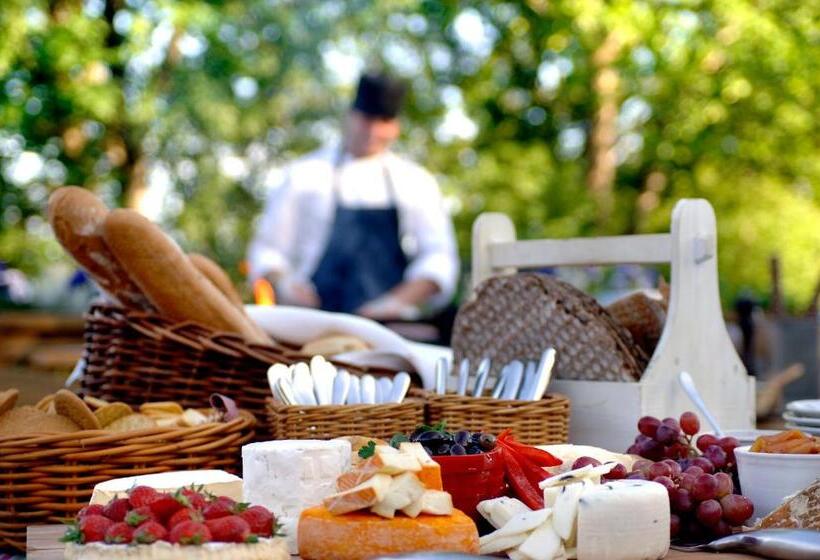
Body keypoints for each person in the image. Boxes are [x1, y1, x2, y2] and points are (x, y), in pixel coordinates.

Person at [248, 73, 459, 328]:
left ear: (395, 127)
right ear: (350, 116)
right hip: (312, 325)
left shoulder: (416, 183)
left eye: (383, 121)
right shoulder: (303, 175)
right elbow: (267, 251)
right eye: (367, 119)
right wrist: (285, 284)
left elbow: (439, 258)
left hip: (390, 330)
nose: (373, 130)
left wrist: (396, 301)